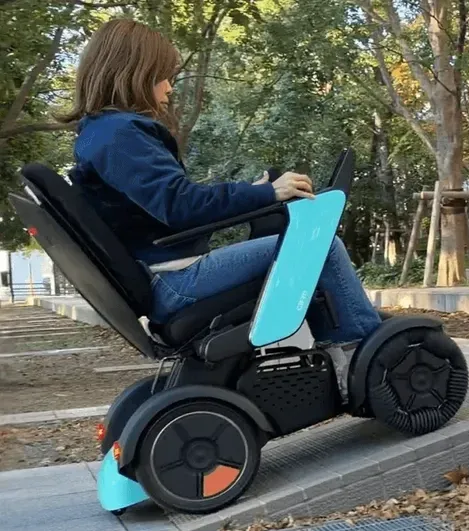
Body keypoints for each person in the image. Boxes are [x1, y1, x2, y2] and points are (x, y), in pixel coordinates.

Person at [59, 19, 381, 397]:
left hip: (164, 273)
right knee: (320, 245)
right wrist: (267, 194)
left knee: (299, 245)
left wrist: (257, 193)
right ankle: (365, 359)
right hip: (176, 279)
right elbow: (180, 206)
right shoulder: (120, 135)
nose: (169, 87)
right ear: (135, 73)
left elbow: (168, 203)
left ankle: (341, 350)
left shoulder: (102, 133)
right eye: (163, 76)